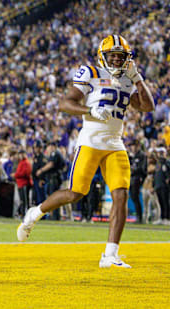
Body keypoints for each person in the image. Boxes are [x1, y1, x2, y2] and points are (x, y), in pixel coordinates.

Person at [17, 34, 154, 268]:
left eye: (121, 57)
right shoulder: (90, 72)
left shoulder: (129, 79)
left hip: (114, 143)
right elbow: (65, 103)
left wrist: (138, 78)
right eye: (113, 56)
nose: (117, 61)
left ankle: (110, 254)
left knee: (121, 194)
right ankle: (35, 212)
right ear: (103, 56)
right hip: (90, 141)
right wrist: (90, 112)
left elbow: (148, 107)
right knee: (75, 193)